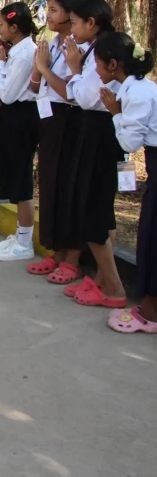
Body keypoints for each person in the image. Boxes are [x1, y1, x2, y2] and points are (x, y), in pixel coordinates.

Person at [59, 0, 126, 307]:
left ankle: (114, 288)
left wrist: (75, 70)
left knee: (95, 213)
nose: (71, 28)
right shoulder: (95, 49)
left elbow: (85, 97)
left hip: (101, 134)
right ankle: (101, 279)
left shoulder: (104, 52)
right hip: (94, 131)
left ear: (91, 23)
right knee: (99, 212)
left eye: (75, 22)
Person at [95, 33, 157, 333]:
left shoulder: (137, 94)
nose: (96, 70)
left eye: (98, 63)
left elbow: (130, 142)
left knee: (152, 236)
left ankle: (150, 314)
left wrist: (116, 114)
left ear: (113, 64)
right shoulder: (137, 87)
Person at [27, 0, 87, 281]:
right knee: (50, 183)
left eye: (53, 10)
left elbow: (71, 93)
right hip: (49, 118)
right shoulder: (52, 43)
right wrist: (38, 69)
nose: (47, 15)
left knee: (69, 186)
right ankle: (57, 251)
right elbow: (36, 87)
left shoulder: (79, 48)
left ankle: (72, 257)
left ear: (71, 14)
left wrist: (44, 69)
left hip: (70, 120)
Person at [0, 2, 40, 261]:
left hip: (22, 116)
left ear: (15, 27)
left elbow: (7, 94)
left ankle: (24, 242)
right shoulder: (19, 50)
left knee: (21, 178)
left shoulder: (26, 53)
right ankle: (19, 235)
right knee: (13, 173)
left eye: (2, 24)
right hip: (14, 116)